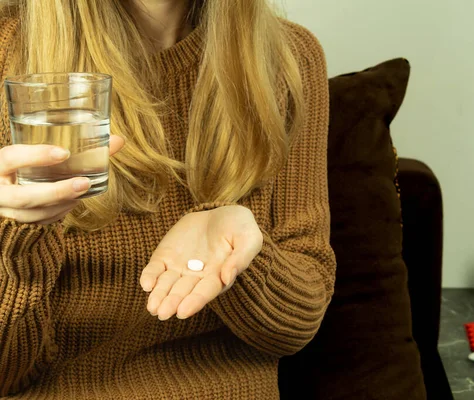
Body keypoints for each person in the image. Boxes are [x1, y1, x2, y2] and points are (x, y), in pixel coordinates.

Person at [0, 0, 335, 398]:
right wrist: (16, 240)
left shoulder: (287, 56)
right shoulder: (10, 54)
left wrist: (242, 255)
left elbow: (296, 326)